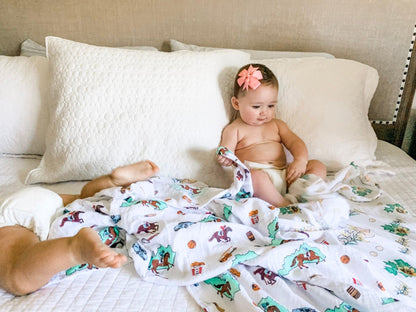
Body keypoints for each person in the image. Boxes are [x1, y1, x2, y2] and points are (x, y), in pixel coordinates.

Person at [0, 160, 159, 296]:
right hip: (48, 199)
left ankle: (75, 249)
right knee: (82, 200)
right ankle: (110, 182)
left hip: (20, 210)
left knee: (16, 277)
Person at [217, 64, 326, 208]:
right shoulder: (234, 129)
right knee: (254, 177)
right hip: (259, 179)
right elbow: (226, 151)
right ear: (236, 103)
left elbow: (295, 142)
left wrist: (300, 160)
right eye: (257, 107)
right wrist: (225, 157)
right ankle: (282, 205)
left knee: (318, 165)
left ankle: (303, 193)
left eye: (271, 106)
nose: (264, 112)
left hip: (286, 175)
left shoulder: (277, 125)